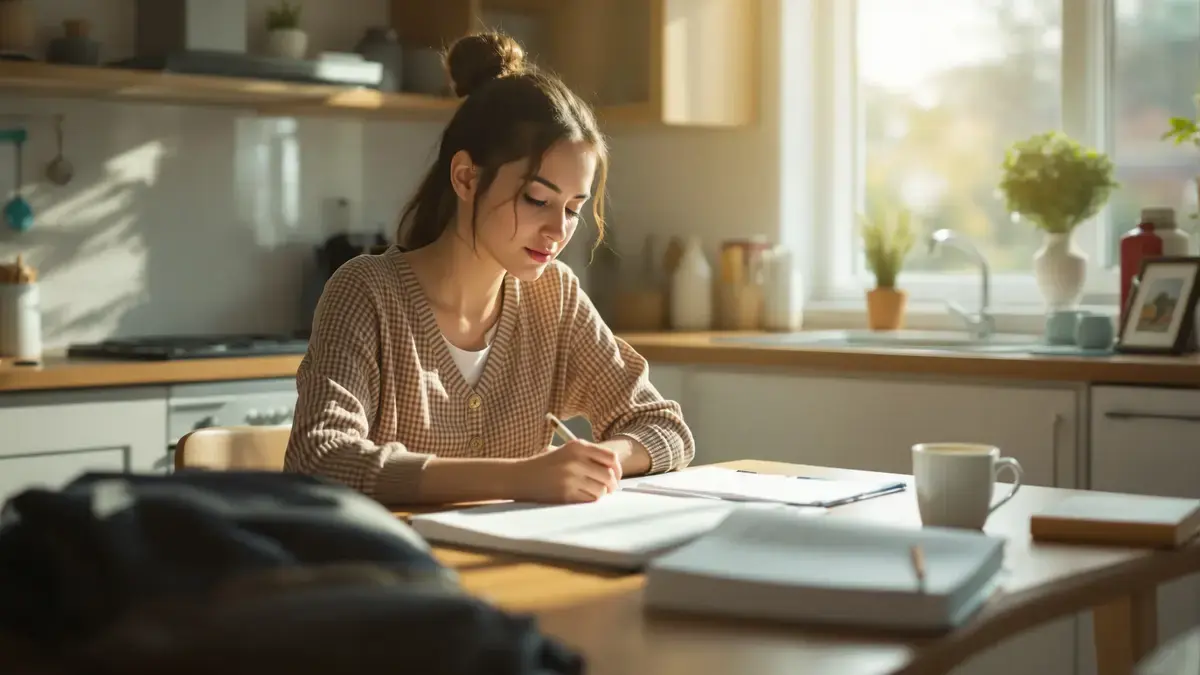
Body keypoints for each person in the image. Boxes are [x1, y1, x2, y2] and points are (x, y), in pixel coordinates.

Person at [283, 31, 695, 506]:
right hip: (393, 573)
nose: (557, 231)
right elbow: (320, 458)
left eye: (573, 208)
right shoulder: (367, 292)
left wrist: (597, 462)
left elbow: (665, 428)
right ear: (466, 177)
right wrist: (517, 478)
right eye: (538, 200)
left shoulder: (554, 298)